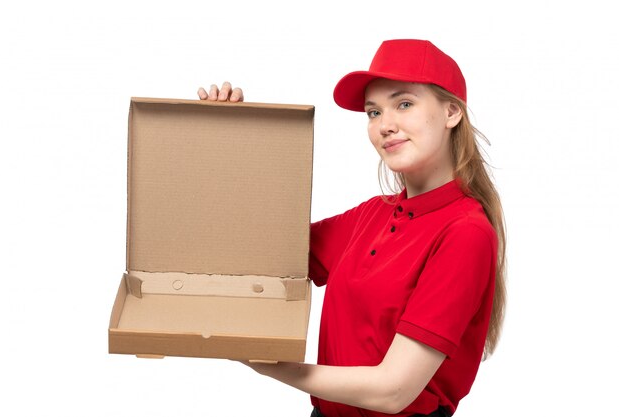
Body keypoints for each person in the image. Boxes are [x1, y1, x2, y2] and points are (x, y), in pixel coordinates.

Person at [198, 39, 507, 417]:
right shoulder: (371, 216)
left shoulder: (465, 232)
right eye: (373, 112)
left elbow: (393, 392)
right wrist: (227, 140)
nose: (385, 125)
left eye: (404, 104)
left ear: (451, 112)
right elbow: (256, 248)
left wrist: (272, 367)